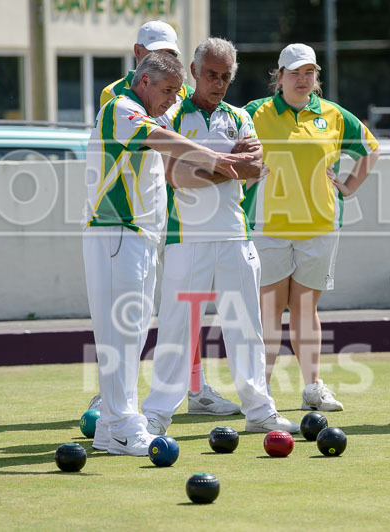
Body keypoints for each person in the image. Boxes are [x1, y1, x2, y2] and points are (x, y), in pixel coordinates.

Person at [83, 52, 254, 456]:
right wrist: (218, 158)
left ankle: (111, 426)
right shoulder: (122, 108)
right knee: (120, 334)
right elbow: (162, 140)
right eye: (167, 91)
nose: (172, 100)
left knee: (133, 331)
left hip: (139, 237)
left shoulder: (146, 107)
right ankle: (124, 424)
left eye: (177, 93)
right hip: (115, 234)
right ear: (144, 81)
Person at [141, 37, 300, 435]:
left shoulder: (239, 117)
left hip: (235, 235)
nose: (218, 82)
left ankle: (260, 411)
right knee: (177, 327)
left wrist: (213, 168)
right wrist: (231, 165)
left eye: (225, 76)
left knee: (246, 327)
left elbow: (256, 166)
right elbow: (173, 176)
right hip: (186, 238)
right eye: (211, 74)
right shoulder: (171, 116)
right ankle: (157, 414)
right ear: (194, 72)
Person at [244, 44, 380, 411]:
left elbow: (370, 149)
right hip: (267, 226)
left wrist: (349, 187)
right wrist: (246, 174)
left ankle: (312, 388)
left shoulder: (333, 115)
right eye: (294, 73)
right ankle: (262, 392)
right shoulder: (255, 113)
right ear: (280, 76)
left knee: (305, 308)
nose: (302, 80)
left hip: (320, 226)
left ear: (316, 77)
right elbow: (225, 149)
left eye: (309, 73)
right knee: (269, 309)